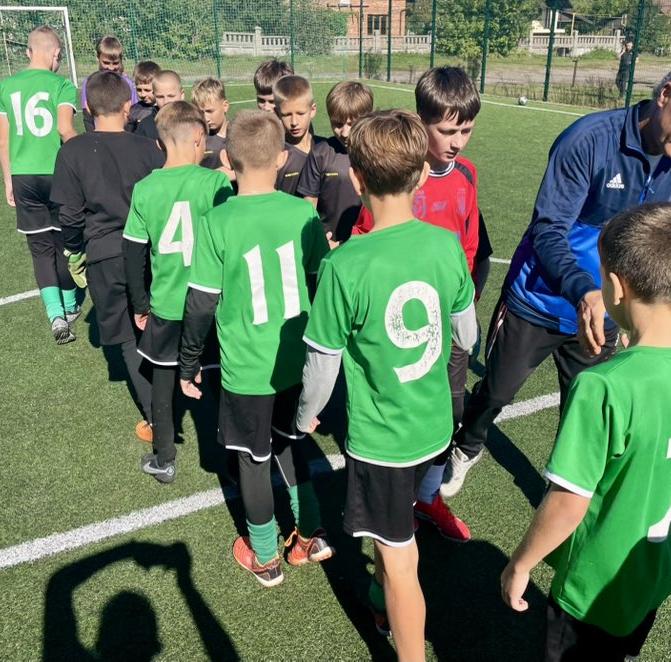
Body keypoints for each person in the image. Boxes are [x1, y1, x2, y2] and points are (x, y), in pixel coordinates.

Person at [440, 58, 671, 500]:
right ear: (665, 95)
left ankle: (564, 490)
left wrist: (653, 309)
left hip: (607, 313)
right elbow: (548, 231)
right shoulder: (588, 140)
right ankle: (468, 446)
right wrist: (584, 291)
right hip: (538, 301)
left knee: (584, 411)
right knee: (496, 393)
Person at [500, 202, 671, 662]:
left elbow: (567, 504)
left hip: (591, 587)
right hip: (650, 570)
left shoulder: (602, 387)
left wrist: (520, 564)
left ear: (617, 287)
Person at [295, 110, 476, 661]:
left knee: (401, 560)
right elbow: (465, 334)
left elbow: (321, 364)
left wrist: (303, 418)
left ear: (357, 180)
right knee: (391, 537)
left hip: (383, 442)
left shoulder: (345, 265)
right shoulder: (445, 247)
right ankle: (378, 601)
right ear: (421, 175)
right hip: (434, 426)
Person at [178, 110, 333, 586]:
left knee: (253, 457)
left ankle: (265, 555)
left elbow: (201, 303)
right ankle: (310, 534)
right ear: (283, 158)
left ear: (226, 158)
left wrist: (188, 362)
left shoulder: (217, 221)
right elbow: (321, 283)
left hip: (247, 368)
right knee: (290, 442)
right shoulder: (303, 213)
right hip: (297, 359)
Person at [352, 66, 484, 543]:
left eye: (466, 130)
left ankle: (427, 497)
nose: (457, 142)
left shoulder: (466, 174)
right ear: (421, 121)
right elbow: (366, 235)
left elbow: (469, 244)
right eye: (447, 131)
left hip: (448, 319)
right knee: (398, 415)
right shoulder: (395, 178)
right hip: (397, 324)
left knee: (449, 414)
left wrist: (463, 300)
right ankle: (396, 503)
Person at [51, 71, 165, 443]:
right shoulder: (150, 149)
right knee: (157, 325)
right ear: (128, 106)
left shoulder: (72, 151)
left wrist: (74, 249)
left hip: (104, 255)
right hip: (149, 253)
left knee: (129, 339)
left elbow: (69, 215)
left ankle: (156, 418)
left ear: (86, 107)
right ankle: (173, 400)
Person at [122, 101, 233, 483]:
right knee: (220, 380)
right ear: (200, 138)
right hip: (213, 306)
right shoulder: (216, 184)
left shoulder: (145, 189)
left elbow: (132, 253)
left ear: (159, 144)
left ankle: (164, 458)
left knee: (162, 382)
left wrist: (140, 304)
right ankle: (232, 462)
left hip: (167, 306)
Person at [0, 25, 80, 344]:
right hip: (57, 174)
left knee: (40, 250)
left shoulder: (7, 86)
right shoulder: (63, 85)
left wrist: (9, 180)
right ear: (57, 54)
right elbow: (64, 130)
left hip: (23, 176)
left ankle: (56, 317)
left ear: (28, 52)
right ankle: (70, 306)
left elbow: (3, 142)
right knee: (65, 244)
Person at [296, 81, 373, 245]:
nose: (344, 133)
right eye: (337, 124)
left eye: (352, 124)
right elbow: (308, 208)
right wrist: (320, 239)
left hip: (368, 243)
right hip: (329, 243)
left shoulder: (379, 153)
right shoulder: (320, 154)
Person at [272, 75, 323, 195]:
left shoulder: (326, 148)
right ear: (277, 113)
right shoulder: (275, 154)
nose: (294, 122)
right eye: (287, 115)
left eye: (300, 114)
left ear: (313, 110)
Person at [81, 36, 138, 133]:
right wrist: (93, 137)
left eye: (115, 63)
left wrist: (127, 136)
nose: (111, 68)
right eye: (106, 63)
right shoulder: (90, 82)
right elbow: (87, 117)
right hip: (98, 135)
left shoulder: (127, 83)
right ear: (98, 57)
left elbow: (133, 113)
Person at [190, 77, 233, 177]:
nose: (206, 118)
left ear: (225, 106)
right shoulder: (197, 139)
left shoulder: (240, 133)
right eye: (201, 112)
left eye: (210, 111)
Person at [134, 70, 185, 141]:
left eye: (171, 96)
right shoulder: (146, 126)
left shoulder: (193, 119)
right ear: (154, 95)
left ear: (182, 95)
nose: (166, 101)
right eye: (160, 97)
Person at [129, 61, 162, 130]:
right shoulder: (134, 110)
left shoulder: (164, 110)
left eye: (147, 90)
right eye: (139, 90)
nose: (143, 94)